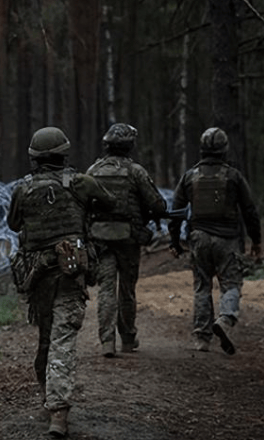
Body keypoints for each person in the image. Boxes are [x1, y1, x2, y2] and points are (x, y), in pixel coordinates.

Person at [7, 126, 116, 438]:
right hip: (70, 273)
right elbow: (109, 203)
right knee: (62, 340)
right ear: (63, 153)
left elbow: (14, 223)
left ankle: (49, 397)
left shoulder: (23, 187)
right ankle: (58, 412)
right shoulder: (80, 183)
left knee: (46, 337)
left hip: (37, 275)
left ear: (34, 157)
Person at [168, 127, 261, 354]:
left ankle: (202, 337)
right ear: (224, 149)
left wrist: (175, 241)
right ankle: (226, 319)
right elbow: (249, 210)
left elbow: (176, 211)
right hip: (227, 239)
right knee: (231, 284)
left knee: (202, 287)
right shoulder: (234, 176)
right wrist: (256, 240)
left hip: (198, 238)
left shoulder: (190, 176)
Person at [86, 123, 167, 358]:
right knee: (127, 290)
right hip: (128, 238)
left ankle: (107, 341)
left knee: (106, 289)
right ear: (130, 146)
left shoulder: (93, 170)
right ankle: (128, 339)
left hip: (100, 238)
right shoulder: (136, 172)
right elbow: (157, 204)